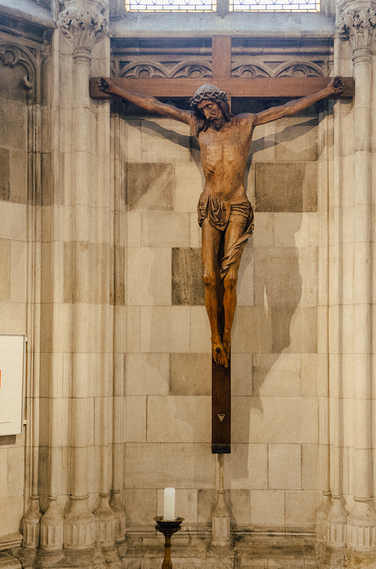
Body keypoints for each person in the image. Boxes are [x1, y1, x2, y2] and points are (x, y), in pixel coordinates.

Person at [99, 77, 344, 367]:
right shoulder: (198, 126)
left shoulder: (245, 123)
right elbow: (157, 106)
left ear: (221, 103)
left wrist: (326, 92)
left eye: (211, 106)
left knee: (230, 278)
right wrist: (116, 90)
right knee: (208, 276)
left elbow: (286, 109)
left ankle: (227, 335)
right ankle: (215, 337)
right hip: (210, 205)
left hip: (238, 205)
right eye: (203, 108)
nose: (208, 112)